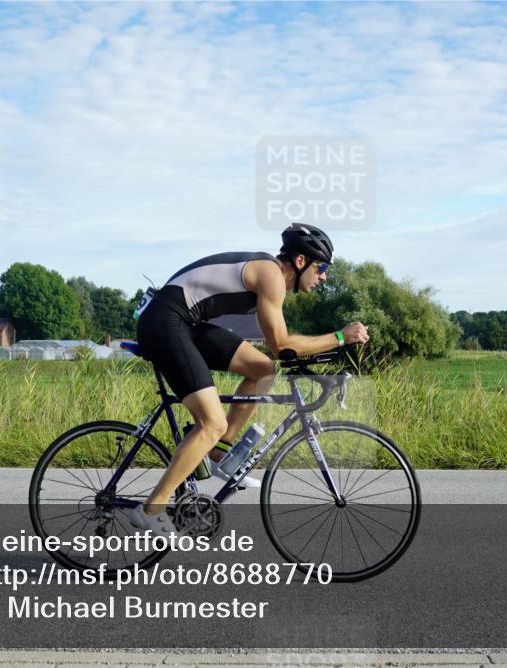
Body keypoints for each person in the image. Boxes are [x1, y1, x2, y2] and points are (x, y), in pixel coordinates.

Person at [129, 223, 369, 535]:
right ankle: (152, 508)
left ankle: (218, 451)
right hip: (165, 322)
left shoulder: (269, 275)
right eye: (321, 267)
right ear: (300, 262)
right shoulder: (271, 276)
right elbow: (282, 345)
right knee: (211, 422)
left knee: (263, 370)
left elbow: (278, 355)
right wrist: (340, 337)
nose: (323, 276)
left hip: (184, 322)